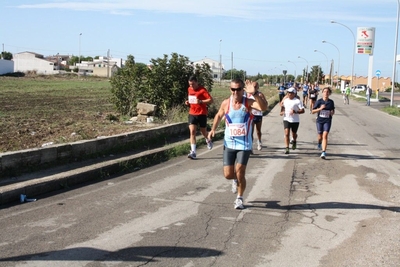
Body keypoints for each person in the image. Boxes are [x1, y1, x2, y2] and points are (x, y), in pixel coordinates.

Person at [208, 79, 268, 210]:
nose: (235, 92)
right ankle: (235, 180)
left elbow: (263, 107)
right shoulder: (226, 103)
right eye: (233, 89)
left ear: (243, 89)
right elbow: (218, 115)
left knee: (240, 172)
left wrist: (256, 93)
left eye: (238, 89)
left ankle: (240, 198)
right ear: (230, 90)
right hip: (229, 143)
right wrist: (212, 129)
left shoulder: (249, 102)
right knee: (228, 175)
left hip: (244, 144)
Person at [185, 75, 214, 159]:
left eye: (193, 84)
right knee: (192, 132)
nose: (191, 86)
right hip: (192, 113)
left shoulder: (202, 90)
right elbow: (191, 100)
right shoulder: (189, 89)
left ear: (197, 82)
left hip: (202, 113)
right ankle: (193, 152)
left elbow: (211, 100)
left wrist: (201, 101)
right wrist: (187, 102)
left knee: (203, 132)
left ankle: (208, 140)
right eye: (190, 84)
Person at [312, 87, 335, 159]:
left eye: (327, 92)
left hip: (327, 120)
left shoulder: (331, 102)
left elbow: (333, 110)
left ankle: (323, 152)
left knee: (325, 136)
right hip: (319, 120)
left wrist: (332, 112)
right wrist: (320, 108)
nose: (326, 93)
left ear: (329, 93)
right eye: (324, 92)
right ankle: (319, 143)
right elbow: (312, 111)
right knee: (320, 136)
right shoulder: (319, 101)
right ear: (322, 93)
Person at [280, 87, 305, 154]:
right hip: (286, 119)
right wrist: (281, 112)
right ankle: (287, 148)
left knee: (294, 134)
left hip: (295, 120)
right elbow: (282, 108)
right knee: (286, 133)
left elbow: (303, 110)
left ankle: (294, 141)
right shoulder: (285, 100)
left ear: (294, 93)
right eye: (288, 93)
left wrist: (295, 111)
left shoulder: (297, 101)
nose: (289, 94)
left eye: (291, 93)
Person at [248, 81, 267, 151]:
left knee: (258, 131)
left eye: (256, 86)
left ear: (258, 87)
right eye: (253, 86)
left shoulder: (260, 94)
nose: (254, 88)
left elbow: (265, 104)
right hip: (251, 115)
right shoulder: (248, 94)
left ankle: (259, 141)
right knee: (250, 131)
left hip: (258, 114)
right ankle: (250, 146)